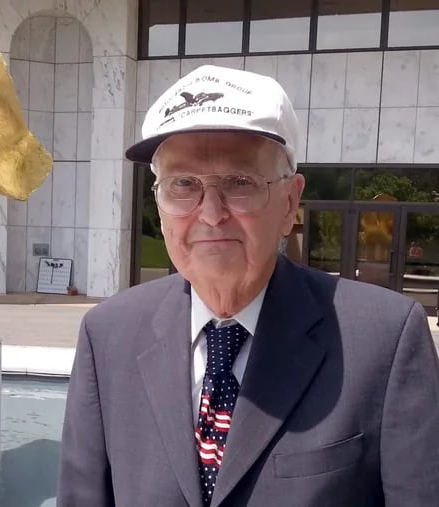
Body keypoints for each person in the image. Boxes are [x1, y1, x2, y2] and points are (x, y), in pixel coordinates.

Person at [57, 65, 439, 506]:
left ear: (290, 201)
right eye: (184, 184)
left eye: (240, 183)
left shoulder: (384, 340)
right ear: (158, 201)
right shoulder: (107, 336)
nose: (211, 213)